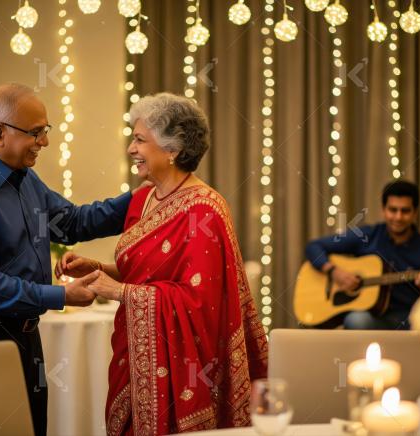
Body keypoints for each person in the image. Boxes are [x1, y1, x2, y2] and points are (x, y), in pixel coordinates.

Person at [0, 83, 133, 436]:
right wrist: (61, 296)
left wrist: (142, 198)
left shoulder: (22, 178)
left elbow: (69, 222)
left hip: (24, 336)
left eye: (45, 131)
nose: (45, 143)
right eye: (36, 133)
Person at [55, 93, 268, 434]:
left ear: (172, 150)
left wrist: (119, 292)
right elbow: (145, 274)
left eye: (140, 140)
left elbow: (201, 303)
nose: (131, 149)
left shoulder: (204, 210)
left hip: (181, 368)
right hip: (132, 352)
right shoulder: (143, 198)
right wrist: (98, 269)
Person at [304, 180, 420, 330]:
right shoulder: (368, 235)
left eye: (405, 211)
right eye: (393, 210)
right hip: (371, 317)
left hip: (408, 319)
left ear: (415, 213)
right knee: (356, 320)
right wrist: (334, 272)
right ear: (383, 210)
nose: (398, 217)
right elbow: (314, 247)